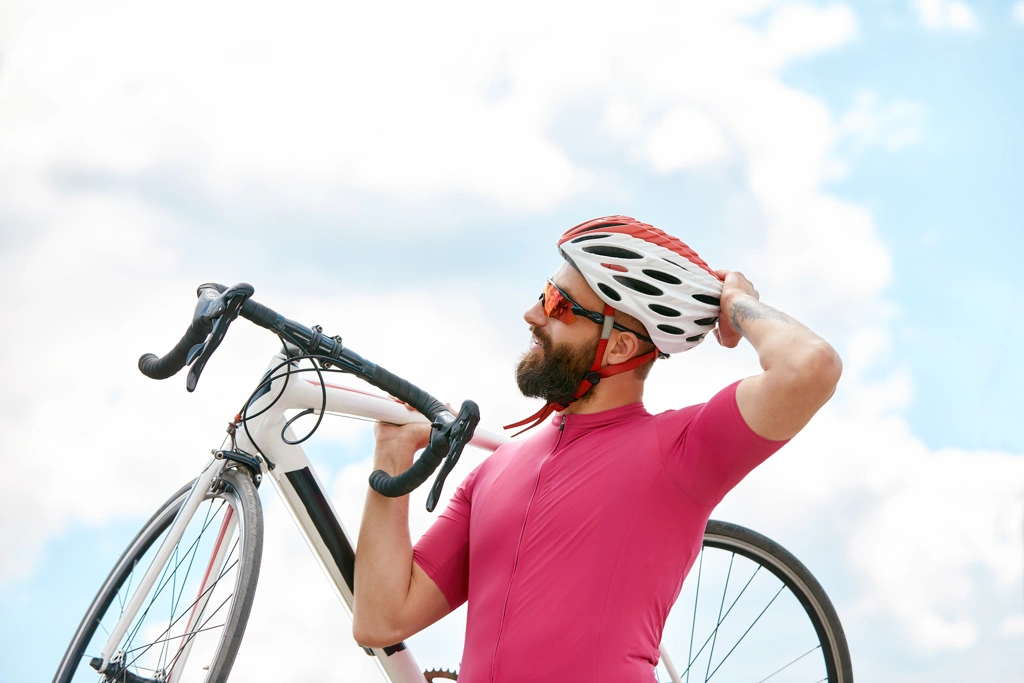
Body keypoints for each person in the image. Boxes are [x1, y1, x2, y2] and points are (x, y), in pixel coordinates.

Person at [352, 216, 842, 682]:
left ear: (621, 347)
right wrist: (392, 452)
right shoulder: (494, 471)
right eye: (544, 294)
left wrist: (735, 302)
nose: (532, 314)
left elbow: (810, 366)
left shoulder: (679, 451)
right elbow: (380, 619)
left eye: (559, 305)